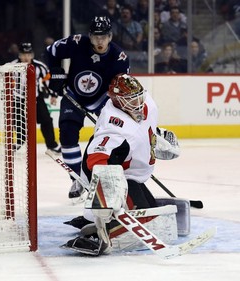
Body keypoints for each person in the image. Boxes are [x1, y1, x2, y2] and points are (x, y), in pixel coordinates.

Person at [61, 73, 180, 255]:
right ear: (118, 101)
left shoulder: (147, 103)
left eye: (138, 97)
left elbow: (144, 127)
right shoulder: (114, 126)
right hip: (118, 177)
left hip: (131, 174)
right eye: (131, 101)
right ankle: (97, 233)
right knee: (145, 222)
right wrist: (107, 192)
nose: (138, 103)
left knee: (153, 214)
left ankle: (92, 221)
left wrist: (156, 138)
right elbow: (96, 159)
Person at [45, 15, 130, 198]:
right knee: (67, 133)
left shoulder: (120, 58)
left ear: (110, 37)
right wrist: (56, 72)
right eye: (96, 37)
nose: (100, 41)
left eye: (104, 37)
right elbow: (51, 51)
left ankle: (114, 176)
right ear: (89, 36)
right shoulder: (77, 43)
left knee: (112, 136)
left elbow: (120, 88)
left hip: (103, 99)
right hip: (73, 95)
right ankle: (77, 177)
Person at [11, 42, 61, 154]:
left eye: (28, 54)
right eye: (23, 54)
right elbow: (7, 81)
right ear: (19, 55)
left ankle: (52, 145)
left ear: (32, 55)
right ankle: (20, 140)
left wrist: (53, 95)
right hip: (18, 98)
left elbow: (48, 81)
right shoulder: (11, 66)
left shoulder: (40, 67)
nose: (26, 57)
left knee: (46, 120)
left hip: (36, 98)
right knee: (18, 120)